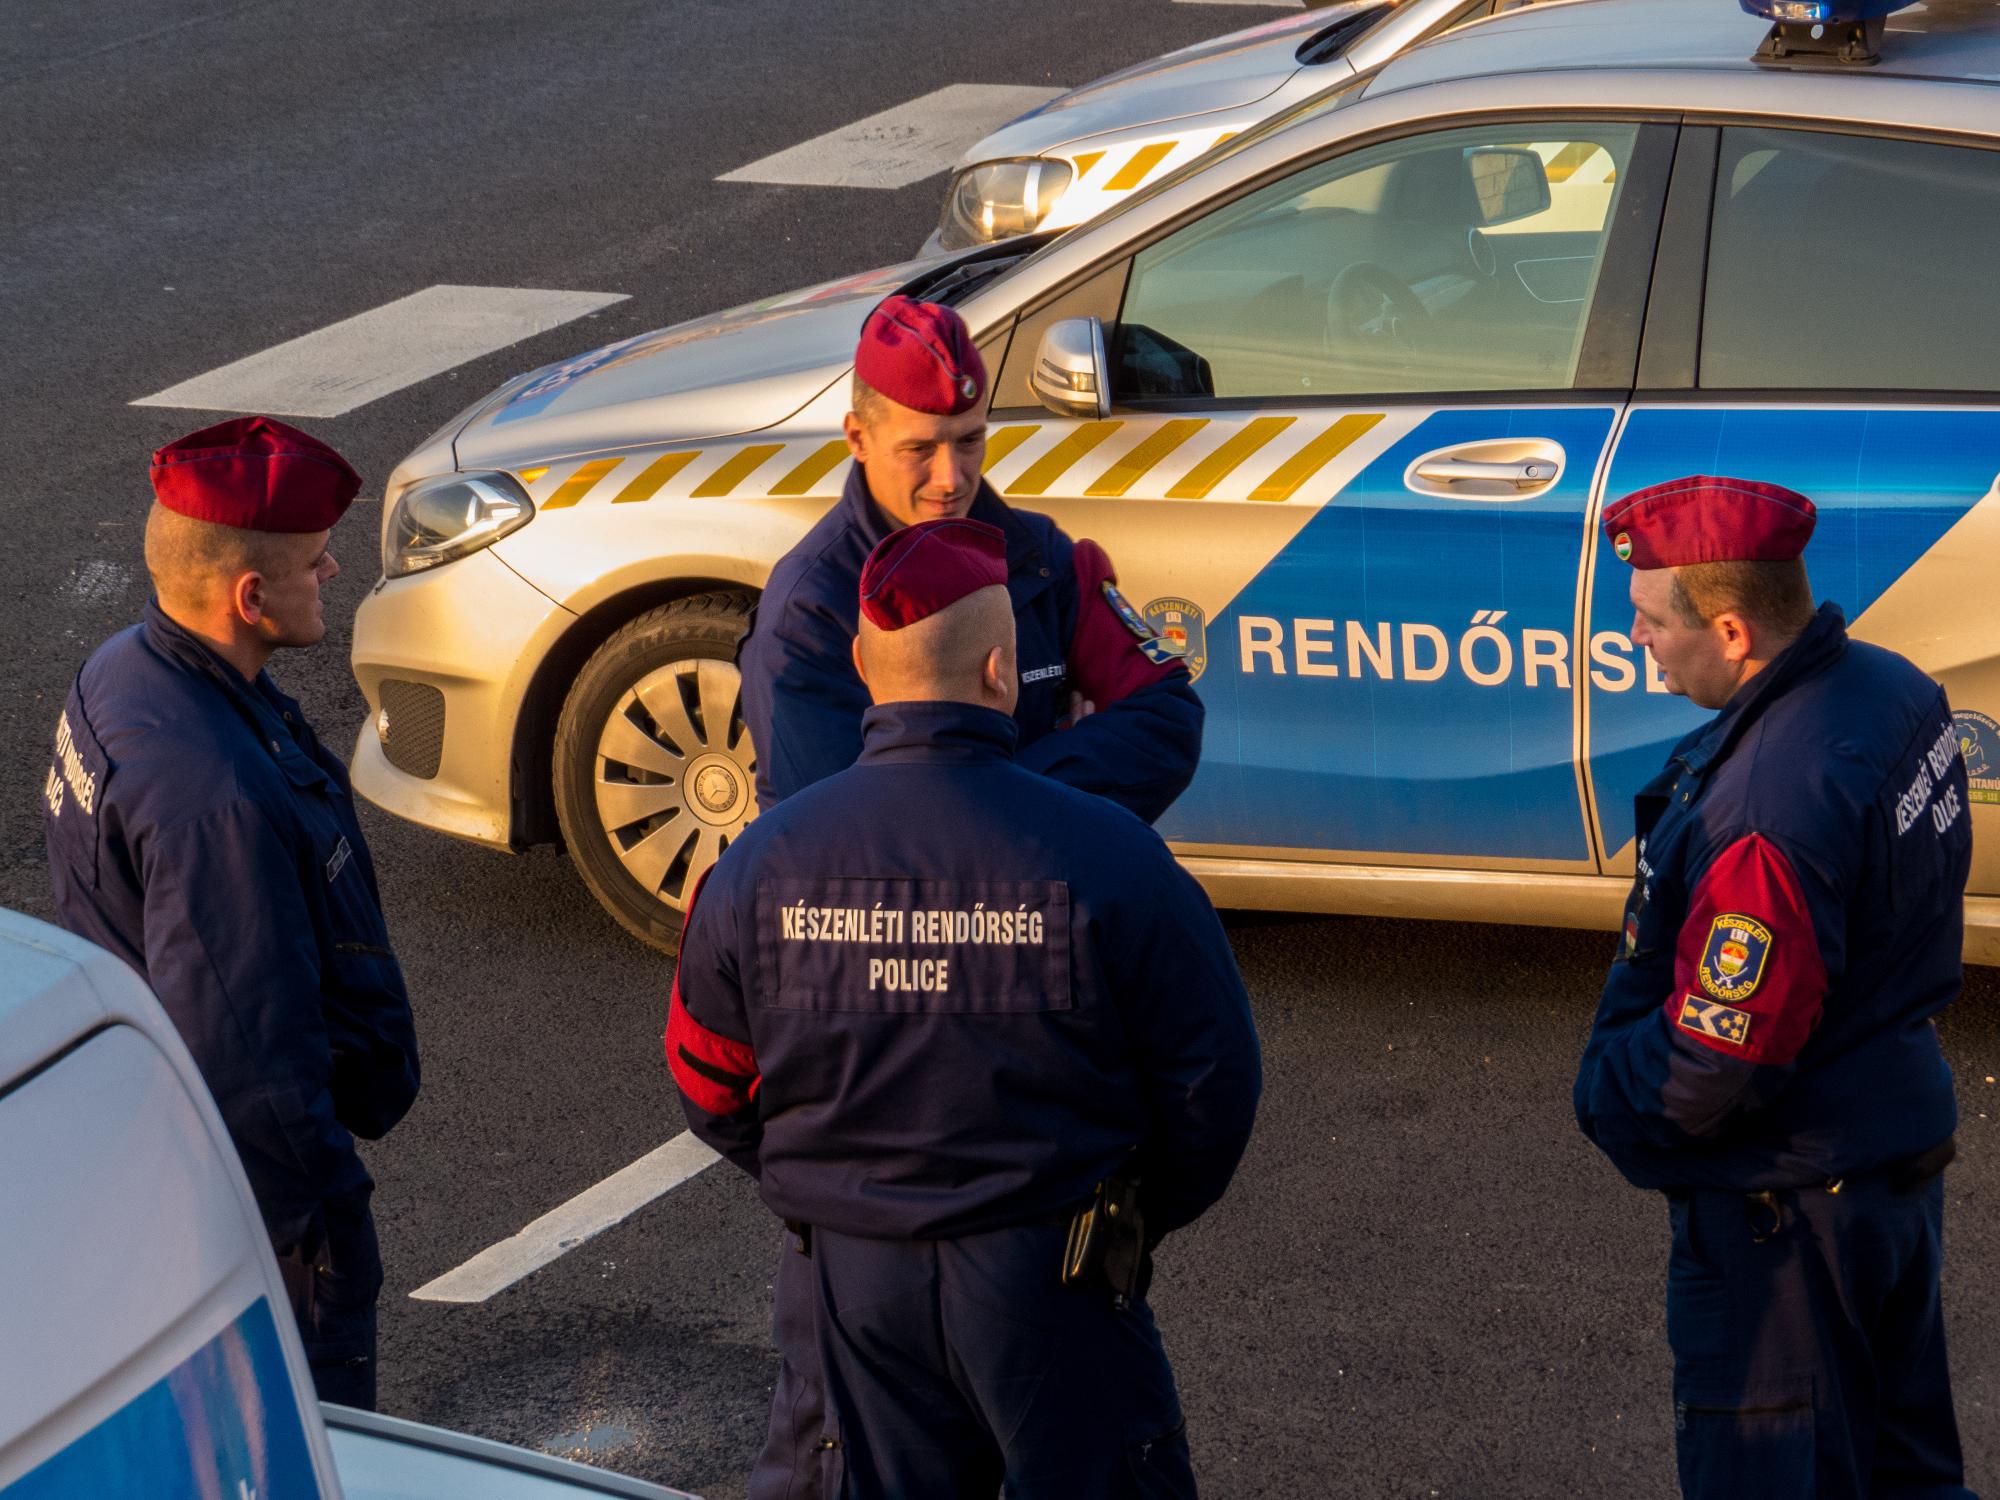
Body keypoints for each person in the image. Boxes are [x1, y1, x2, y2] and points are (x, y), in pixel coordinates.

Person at [671, 517, 1261, 1498]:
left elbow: (708, 1079)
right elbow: (1210, 1084)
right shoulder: (1110, 858)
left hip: (846, 1298)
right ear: (999, 669)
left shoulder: (756, 868)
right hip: (1055, 1283)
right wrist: (1128, 1214)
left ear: (864, 664)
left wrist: (835, 1188)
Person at [1572, 475, 1976, 1499]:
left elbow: (1717, 1052)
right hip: (1888, 1159)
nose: (1636, 639)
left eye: (1648, 620)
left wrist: (1606, 1099)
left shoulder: (1761, 811)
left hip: (1787, 1222)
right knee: (1903, 1473)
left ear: (1733, 630)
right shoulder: (1891, 690)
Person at [42, 416, 420, 1410]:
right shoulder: (216, 798)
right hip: (254, 1214)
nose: (332, 569)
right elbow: (249, 1052)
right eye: (312, 559)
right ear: (249, 597)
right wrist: (328, 1220)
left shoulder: (123, 672)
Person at [738, 294, 1202, 823]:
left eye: (970, 441)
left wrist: (989, 787)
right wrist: (1068, 762)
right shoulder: (809, 610)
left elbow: (1168, 726)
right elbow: (843, 833)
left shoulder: (1044, 559)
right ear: (858, 438)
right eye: (919, 450)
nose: (951, 479)